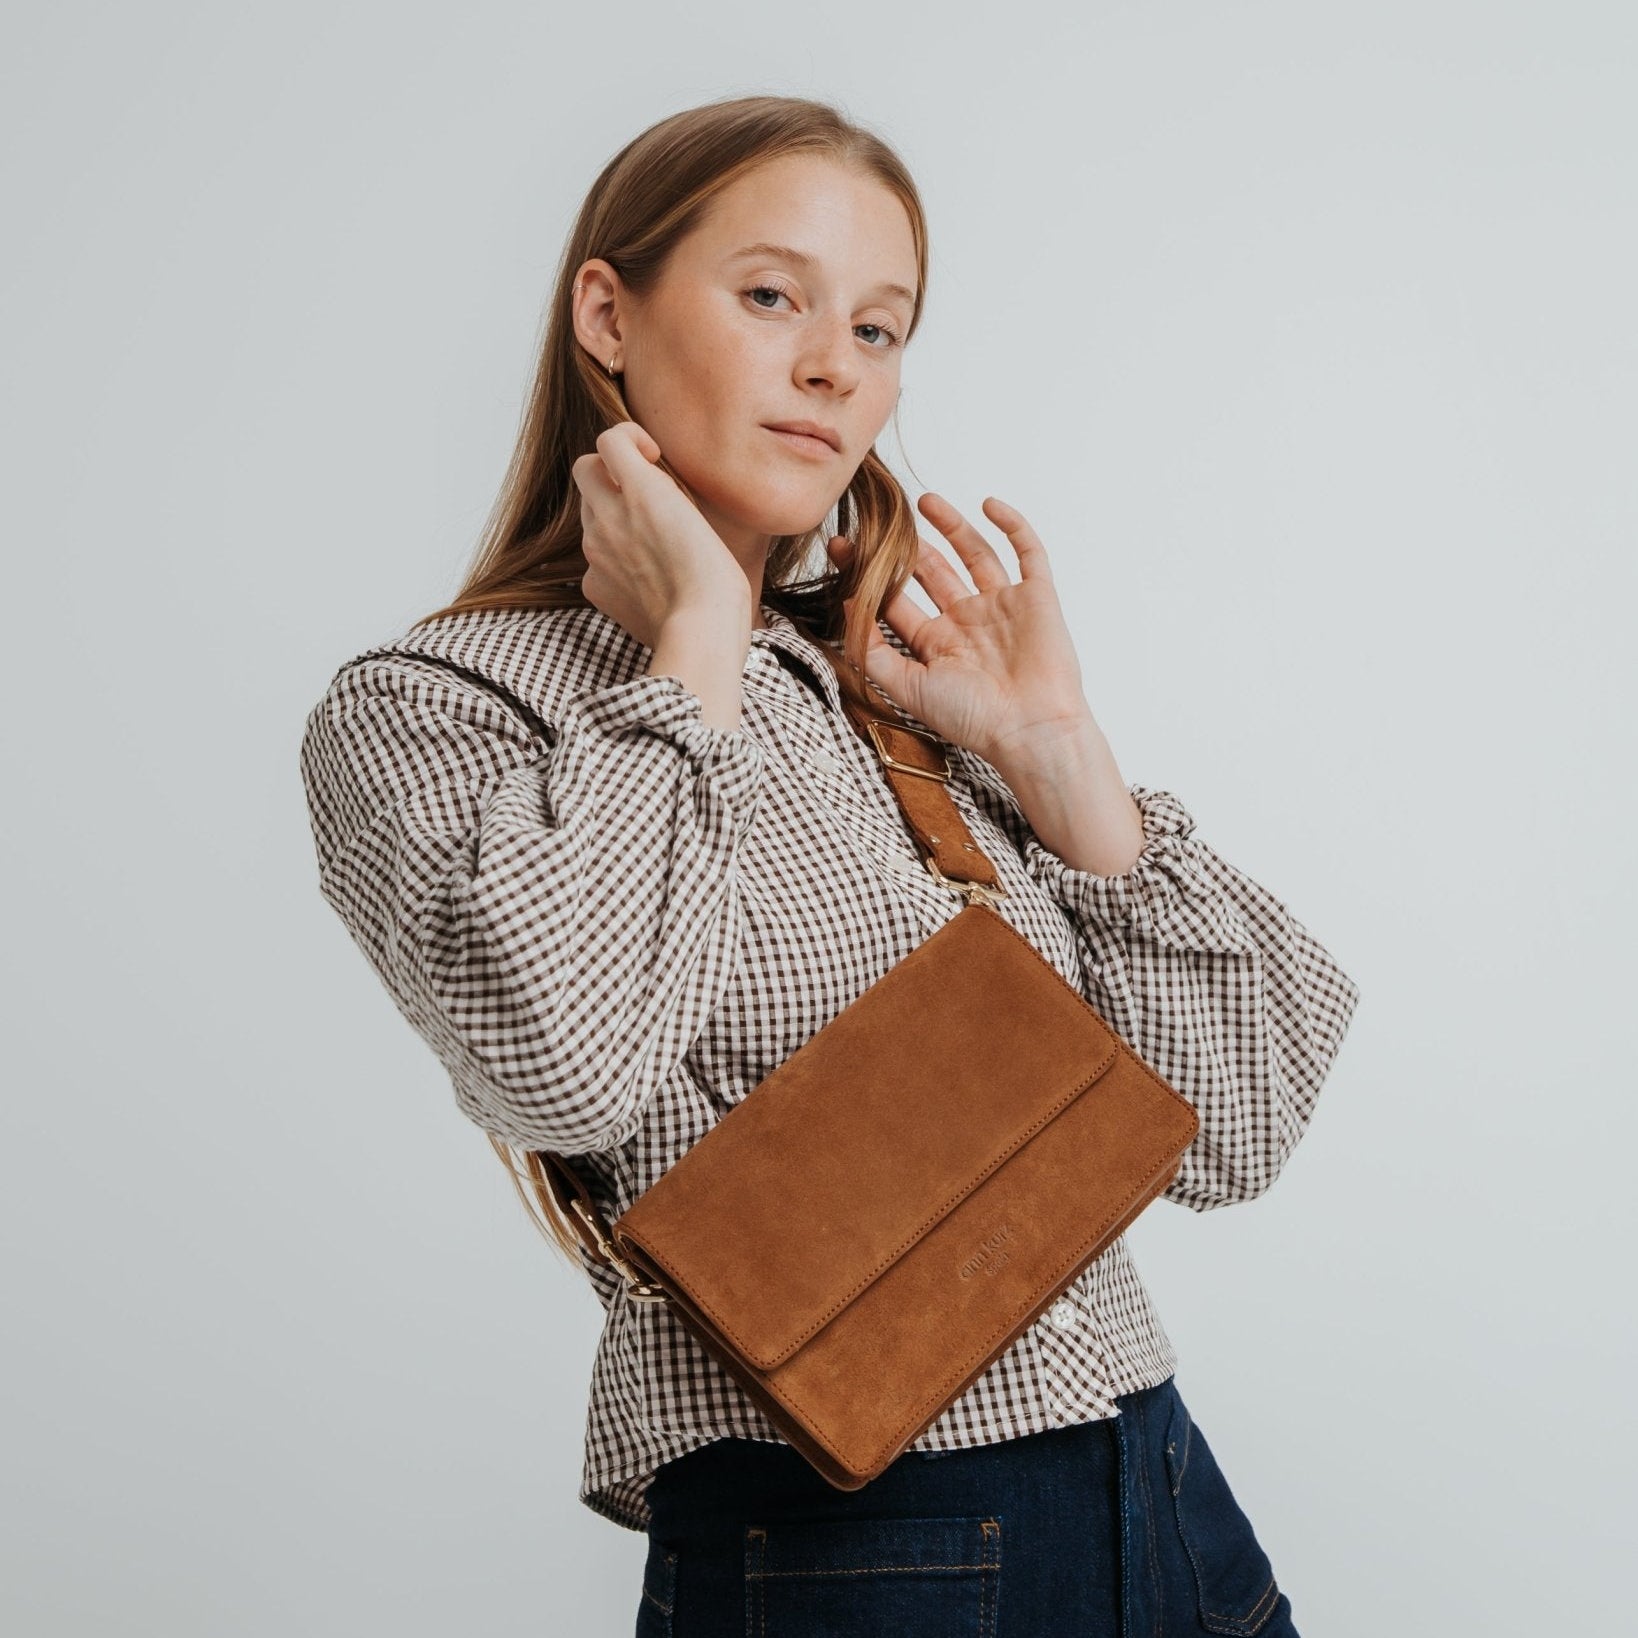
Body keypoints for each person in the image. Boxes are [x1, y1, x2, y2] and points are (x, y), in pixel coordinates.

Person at [299, 92, 1360, 1637]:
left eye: (878, 327)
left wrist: (1057, 750)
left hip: (1170, 1501)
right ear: (608, 311)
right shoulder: (435, 707)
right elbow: (563, 1062)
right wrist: (692, 649)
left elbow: (1239, 1124)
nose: (830, 368)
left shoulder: (888, 682)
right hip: (859, 1539)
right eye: (771, 295)